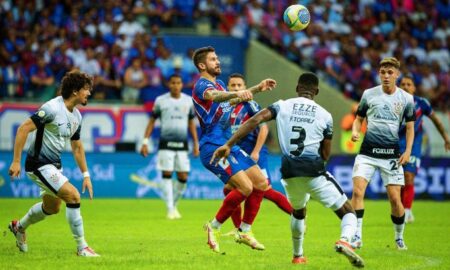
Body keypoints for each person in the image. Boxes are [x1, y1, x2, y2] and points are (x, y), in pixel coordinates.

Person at [211, 72, 364, 267]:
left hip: (289, 172)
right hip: (313, 169)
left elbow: (254, 121)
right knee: (348, 210)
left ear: (297, 88)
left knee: (299, 212)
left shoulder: (282, 105)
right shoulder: (325, 115)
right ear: (316, 91)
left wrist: (229, 144)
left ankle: (298, 255)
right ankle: (344, 240)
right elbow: (325, 154)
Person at [192, 46, 276, 253]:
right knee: (245, 188)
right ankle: (213, 227)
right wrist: (236, 93)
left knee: (260, 183)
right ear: (202, 65)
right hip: (213, 146)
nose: (218, 61)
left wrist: (257, 88)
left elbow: (234, 98)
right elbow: (216, 96)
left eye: (218, 57)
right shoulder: (202, 85)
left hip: (229, 144)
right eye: (213, 59)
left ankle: (245, 230)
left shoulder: (220, 83)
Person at [8, 70, 99, 257]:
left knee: (52, 208)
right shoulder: (51, 108)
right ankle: (82, 247)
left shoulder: (77, 116)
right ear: (75, 91)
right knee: (73, 196)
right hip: (38, 164)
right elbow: (24, 129)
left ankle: (19, 227)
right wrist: (16, 161)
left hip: (54, 165)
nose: (89, 93)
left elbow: (77, 147)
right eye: (86, 89)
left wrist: (86, 175)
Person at [350, 57, 415, 250]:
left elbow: (410, 128)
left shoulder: (406, 99)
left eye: (390, 72)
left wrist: (408, 151)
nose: (386, 76)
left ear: (397, 74)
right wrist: (355, 131)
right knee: (357, 191)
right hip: (367, 154)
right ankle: (357, 236)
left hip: (391, 156)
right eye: (383, 72)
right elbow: (358, 118)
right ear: (379, 74)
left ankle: (399, 237)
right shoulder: (369, 94)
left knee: (395, 200)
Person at [223, 73, 293, 234]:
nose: (236, 88)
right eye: (232, 85)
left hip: (255, 154)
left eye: (239, 85)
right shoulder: (226, 107)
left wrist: (255, 152)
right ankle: (239, 229)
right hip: (239, 155)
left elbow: (264, 128)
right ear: (227, 88)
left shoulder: (250, 104)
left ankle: (298, 216)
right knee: (229, 190)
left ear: (245, 87)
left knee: (266, 191)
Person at [139, 74, 200, 219]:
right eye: (173, 83)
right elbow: (152, 121)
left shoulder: (187, 101)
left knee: (183, 176)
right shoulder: (161, 101)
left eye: (178, 82)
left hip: (182, 144)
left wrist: (196, 143)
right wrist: (145, 142)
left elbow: (191, 123)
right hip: (165, 143)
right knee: (166, 174)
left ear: (181, 84)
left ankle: (174, 205)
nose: (176, 85)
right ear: (169, 84)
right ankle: (170, 208)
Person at [398, 75, 450, 223]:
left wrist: (446, 138)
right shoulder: (392, 103)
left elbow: (437, 121)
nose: (406, 87)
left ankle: (406, 212)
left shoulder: (422, 103)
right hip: (395, 146)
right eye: (403, 84)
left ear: (414, 88)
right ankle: (403, 209)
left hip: (413, 147)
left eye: (409, 84)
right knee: (398, 182)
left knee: (409, 177)